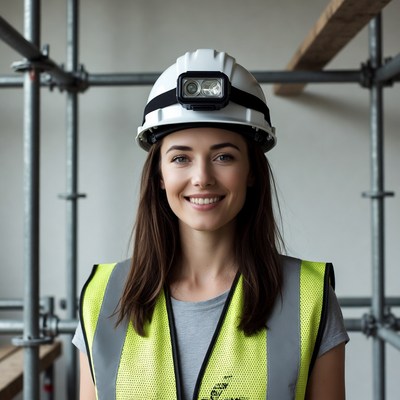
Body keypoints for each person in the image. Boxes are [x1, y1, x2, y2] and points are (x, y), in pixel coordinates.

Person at [73, 48, 349, 400]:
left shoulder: (309, 297)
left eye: (223, 156)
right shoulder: (102, 298)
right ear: (159, 174)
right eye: (181, 158)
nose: (201, 177)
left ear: (251, 172)